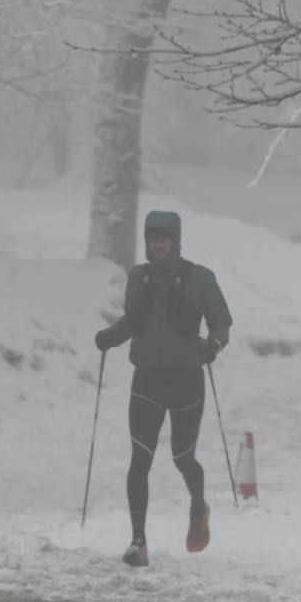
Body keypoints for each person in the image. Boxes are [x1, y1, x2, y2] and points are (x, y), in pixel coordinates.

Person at [93, 210, 232, 568]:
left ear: (175, 240)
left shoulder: (200, 278)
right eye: (153, 239)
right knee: (140, 459)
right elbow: (133, 321)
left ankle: (198, 507)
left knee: (182, 457)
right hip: (147, 380)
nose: (158, 245)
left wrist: (213, 344)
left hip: (186, 380)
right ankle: (138, 542)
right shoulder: (138, 278)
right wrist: (112, 336)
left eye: (164, 238)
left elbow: (221, 321)